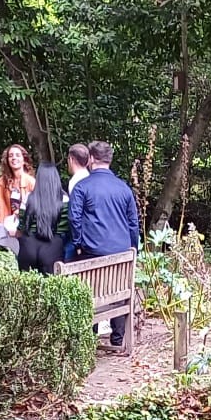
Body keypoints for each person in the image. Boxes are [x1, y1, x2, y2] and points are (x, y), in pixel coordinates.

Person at [66, 139, 143, 348]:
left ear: (90, 159)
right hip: (121, 254)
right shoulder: (124, 188)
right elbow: (133, 224)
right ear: (110, 160)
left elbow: (74, 219)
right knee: (118, 289)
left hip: (92, 252)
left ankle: (89, 339)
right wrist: (132, 247)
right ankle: (117, 339)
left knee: (86, 288)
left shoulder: (82, 187)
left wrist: (79, 243)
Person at [15, 162, 68, 275]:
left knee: (27, 287)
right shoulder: (64, 199)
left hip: (28, 247)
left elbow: (21, 226)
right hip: (53, 247)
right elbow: (63, 229)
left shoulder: (28, 198)